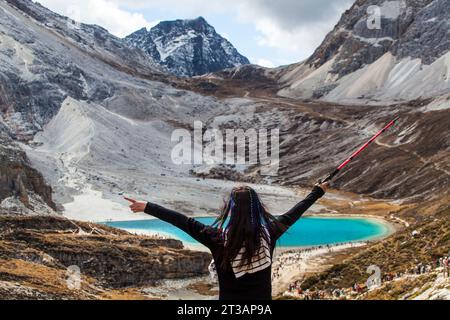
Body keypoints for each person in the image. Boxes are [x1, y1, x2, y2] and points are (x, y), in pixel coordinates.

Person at [125, 182, 328, 300]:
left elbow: (183, 221)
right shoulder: (270, 232)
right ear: (258, 207)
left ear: (229, 209)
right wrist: (318, 191)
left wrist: (147, 207)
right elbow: (297, 210)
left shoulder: (217, 238)